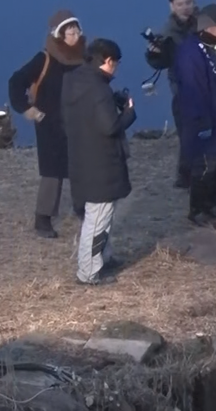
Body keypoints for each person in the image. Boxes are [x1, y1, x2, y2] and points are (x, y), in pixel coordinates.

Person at [62, 38, 137, 286]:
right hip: (101, 164)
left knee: (97, 216)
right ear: (108, 61)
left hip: (81, 159)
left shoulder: (74, 80)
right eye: (114, 64)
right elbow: (109, 126)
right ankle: (89, 272)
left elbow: (90, 114)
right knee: (98, 218)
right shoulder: (98, 88)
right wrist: (128, 114)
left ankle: (103, 256)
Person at [8, 10, 86, 239]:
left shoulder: (84, 58)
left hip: (79, 121)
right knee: (53, 171)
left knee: (82, 166)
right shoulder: (45, 58)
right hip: (49, 122)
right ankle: (43, 219)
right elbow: (16, 81)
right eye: (69, 31)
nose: (74, 35)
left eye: (76, 30)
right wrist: (26, 108)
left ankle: (82, 209)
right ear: (58, 34)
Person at [174, 4, 216, 227]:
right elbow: (193, 90)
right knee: (204, 166)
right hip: (203, 121)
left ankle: (211, 205)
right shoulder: (191, 52)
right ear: (208, 26)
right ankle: (197, 209)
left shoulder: (213, 47)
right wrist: (204, 123)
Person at [144, 0, 198, 190]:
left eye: (188, 2)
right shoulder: (167, 32)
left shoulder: (204, 22)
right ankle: (185, 175)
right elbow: (161, 63)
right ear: (171, 6)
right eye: (180, 4)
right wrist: (153, 53)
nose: (185, 7)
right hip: (182, 88)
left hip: (206, 84)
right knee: (187, 131)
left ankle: (196, 172)